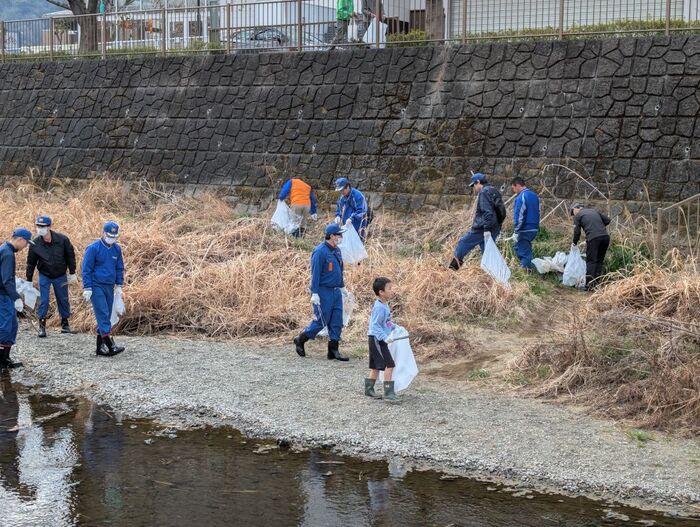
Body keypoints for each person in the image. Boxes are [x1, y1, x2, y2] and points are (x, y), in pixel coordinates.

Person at [293, 224, 349, 362]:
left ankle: (333, 350)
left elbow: (340, 271)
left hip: (336, 291)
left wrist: (342, 287)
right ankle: (301, 339)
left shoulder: (337, 251)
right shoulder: (320, 252)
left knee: (337, 320)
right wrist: (315, 293)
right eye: (339, 235)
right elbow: (315, 274)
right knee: (322, 320)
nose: (341, 237)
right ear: (331, 236)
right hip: (323, 291)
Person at [26, 215, 78, 338]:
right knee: (44, 300)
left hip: (60, 274)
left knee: (63, 299)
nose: (40, 229)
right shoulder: (35, 243)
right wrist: (28, 280)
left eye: (43, 226)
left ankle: (65, 325)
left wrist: (72, 272)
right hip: (45, 275)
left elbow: (70, 255)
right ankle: (42, 327)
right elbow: (31, 262)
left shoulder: (62, 240)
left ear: (49, 227)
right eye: (38, 226)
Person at [81, 222, 125, 357]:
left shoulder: (116, 249)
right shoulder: (94, 248)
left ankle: (99, 348)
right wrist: (87, 287)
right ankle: (110, 344)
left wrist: (119, 284)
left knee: (106, 314)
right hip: (96, 285)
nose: (112, 238)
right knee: (103, 312)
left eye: (114, 236)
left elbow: (119, 267)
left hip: (109, 285)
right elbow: (86, 269)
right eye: (110, 235)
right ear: (103, 233)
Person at [449, 173, 505, 270]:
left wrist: (486, 229)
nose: (474, 188)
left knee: (463, 243)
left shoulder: (484, 192)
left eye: (474, 185)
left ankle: (451, 270)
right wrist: (497, 226)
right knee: (487, 252)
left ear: (478, 182)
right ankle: (493, 275)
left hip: (482, 228)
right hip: (495, 227)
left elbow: (487, 212)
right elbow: (501, 211)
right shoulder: (494, 190)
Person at [0, 228, 34, 369]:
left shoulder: (4, 249)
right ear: (20, 239)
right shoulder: (8, 253)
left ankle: (5, 358)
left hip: (5, 294)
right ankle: (2, 360)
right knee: (6, 327)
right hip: (3, 295)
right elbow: (7, 279)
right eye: (26, 244)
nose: (25, 247)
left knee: (12, 325)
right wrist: (16, 298)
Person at [365, 277, 398, 401]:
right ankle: (389, 393)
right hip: (377, 339)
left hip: (378, 339)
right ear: (381, 292)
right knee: (389, 365)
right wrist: (385, 337)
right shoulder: (379, 308)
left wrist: (394, 327)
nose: (392, 291)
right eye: (389, 288)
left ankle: (369, 389)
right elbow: (375, 325)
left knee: (375, 366)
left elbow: (386, 322)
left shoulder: (385, 305)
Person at [571, 203, 611, 290]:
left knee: (591, 261)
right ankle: (597, 284)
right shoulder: (594, 211)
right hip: (605, 237)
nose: (573, 214)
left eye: (572, 211)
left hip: (593, 238)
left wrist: (574, 243)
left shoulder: (578, 216)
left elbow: (577, 232)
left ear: (576, 209)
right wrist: (598, 227)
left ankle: (589, 285)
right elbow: (607, 220)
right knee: (599, 261)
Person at [510, 177, 540, 271]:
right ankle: (524, 267)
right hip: (534, 227)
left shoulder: (522, 196)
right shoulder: (534, 195)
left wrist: (516, 230)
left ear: (517, 185)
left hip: (525, 228)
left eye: (513, 188)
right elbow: (538, 211)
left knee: (523, 250)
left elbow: (519, 215)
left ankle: (525, 271)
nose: (513, 190)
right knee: (522, 247)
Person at [334, 177, 369, 242]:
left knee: (358, 243)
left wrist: (351, 218)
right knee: (347, 243)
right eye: (340, 191)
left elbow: (362, 211)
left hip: (358, 224)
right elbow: (339, 208)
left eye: (342, 190)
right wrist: (338, 216)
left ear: (348, 187)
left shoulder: (358, 196)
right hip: (347, 225)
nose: (341, 192)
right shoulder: (342, 197)